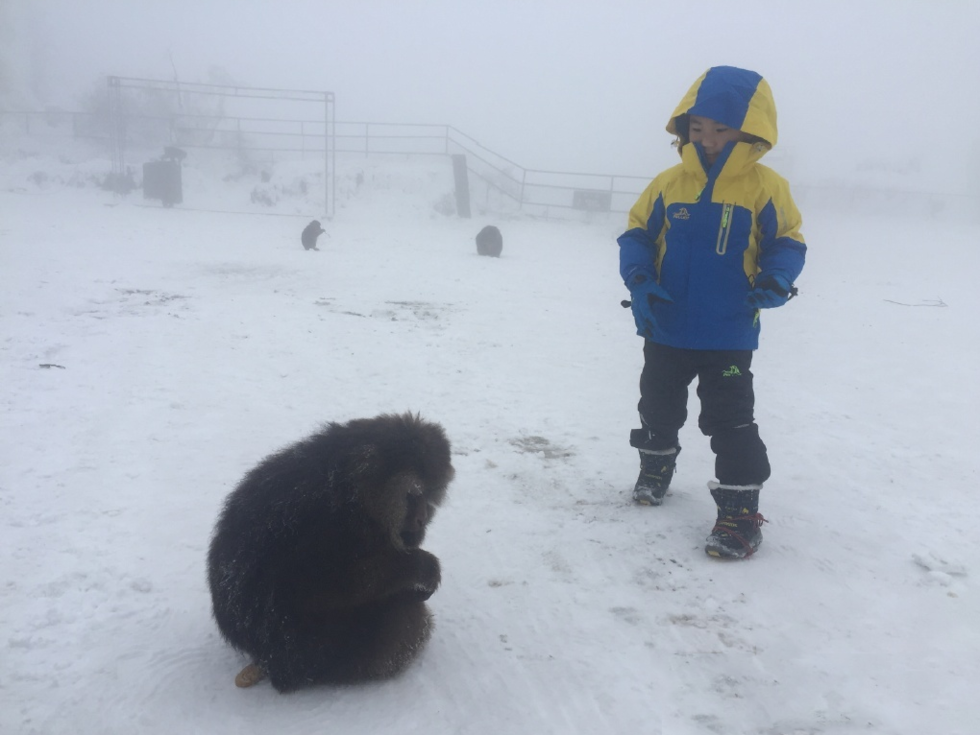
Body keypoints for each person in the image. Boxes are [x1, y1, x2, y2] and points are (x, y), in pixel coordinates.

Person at [617, 66, 806, 559]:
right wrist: (639, 281)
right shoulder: (667, 184)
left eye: (722, 129)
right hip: (665, 325)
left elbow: (786, 240)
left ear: (751, 131)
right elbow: (637, 234)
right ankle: (656, 465)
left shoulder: (765, 187)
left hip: (728, 331)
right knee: (657, 406)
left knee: (731, 420)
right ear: (684, 129)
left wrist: (777, 277)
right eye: (698, 128)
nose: (709, 139)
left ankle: (741, 514)